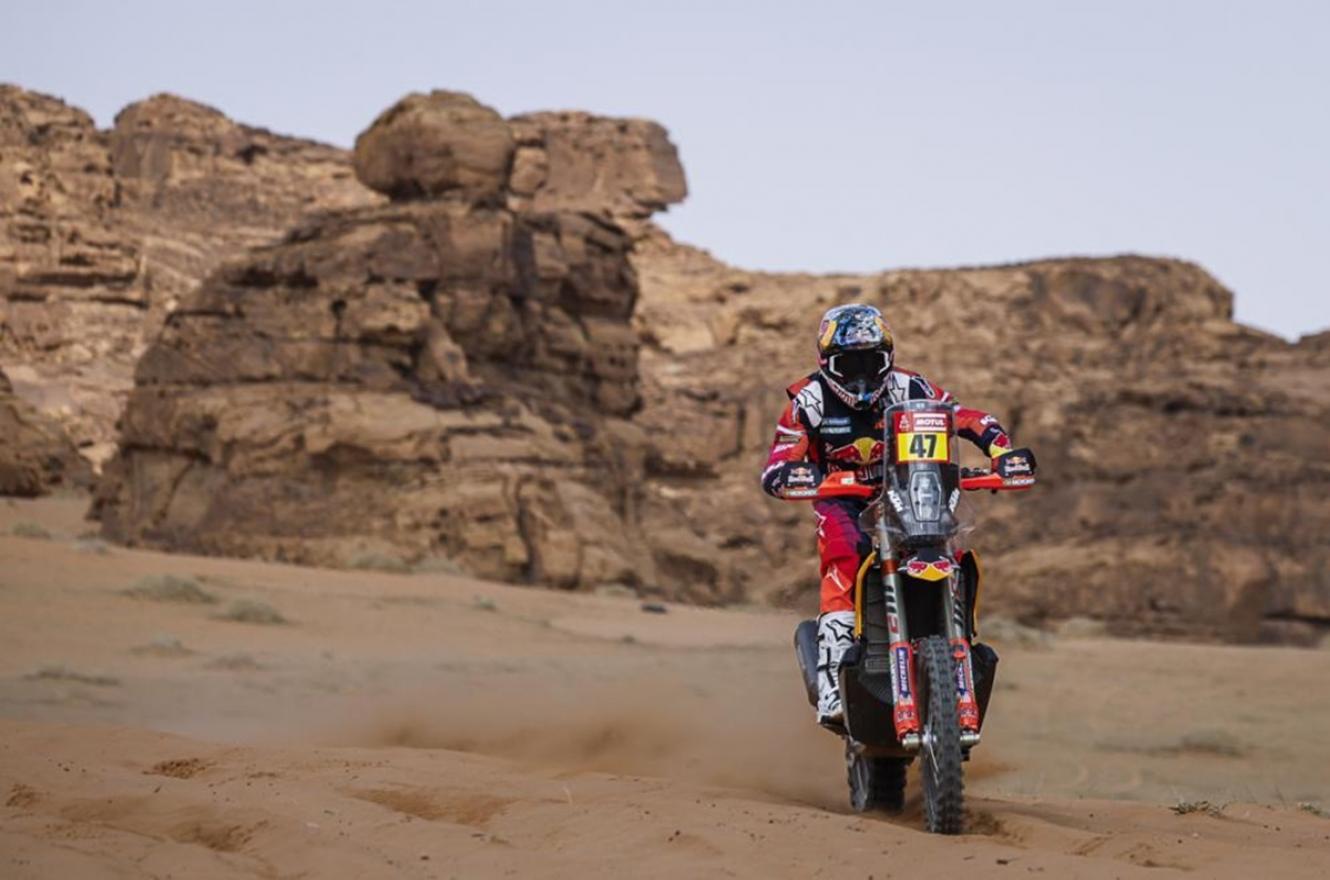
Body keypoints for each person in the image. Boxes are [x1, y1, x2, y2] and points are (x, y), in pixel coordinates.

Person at [760, 303, 1030, 725]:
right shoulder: (808, 400)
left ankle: (955, 644)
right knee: (845, 557)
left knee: (951, 548)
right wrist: (786, 473)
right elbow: (781, 454)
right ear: (827, 363)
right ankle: (833, 680)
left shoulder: (909, 387)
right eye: (850, 363)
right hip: (841, 498)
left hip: (911, 490)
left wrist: (1002, 451)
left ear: (888, 358)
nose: (862, 374)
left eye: (872, 361)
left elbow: (966, 418)